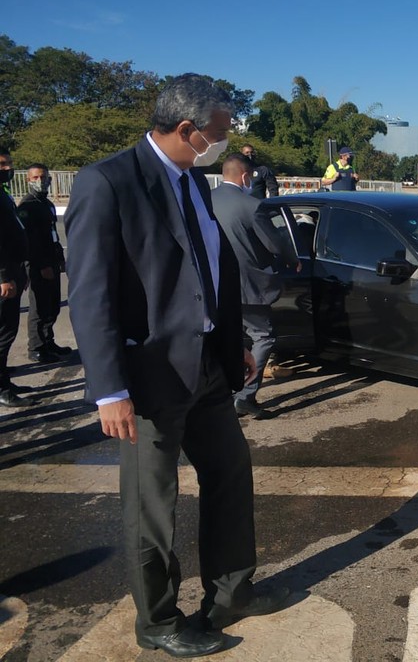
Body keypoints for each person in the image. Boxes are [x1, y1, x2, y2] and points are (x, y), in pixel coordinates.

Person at [64, 74, 288, 658]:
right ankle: (158, 621)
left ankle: (232, 591)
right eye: (217, 132)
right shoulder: (108, 181)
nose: (224, 140)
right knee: (152, 506)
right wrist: (108, 388)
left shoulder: (194, 181)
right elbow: (90, 294)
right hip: (150, 375)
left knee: (231, 475)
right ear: (186, 129)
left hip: (209, 365)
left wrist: (231, 339)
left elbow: (212, 269)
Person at [211, 153, 300, 420]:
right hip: (247, 284)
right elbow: (274, 243)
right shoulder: (252, 206)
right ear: (246, 176)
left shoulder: (204, 201)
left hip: (213, 284)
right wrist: (292, 259)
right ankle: (245, 396)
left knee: (225, 336)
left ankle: (220, 393)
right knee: (263, 336)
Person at [17, 163, 70, 363]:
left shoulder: (45, 204)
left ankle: (48, 341)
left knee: (53, 305)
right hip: (39, 264)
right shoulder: (27, 206)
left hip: (52, 261)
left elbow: (53, 236)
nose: (40, 181)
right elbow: (30, 242)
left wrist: (59, 260)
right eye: (35, 178)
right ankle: (36, 347)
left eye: (43, 177)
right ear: (28, 180)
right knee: (39, 307)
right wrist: (42, 266)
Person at [0, 151, 36, 409]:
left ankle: (4, 380)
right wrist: (3, 277)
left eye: (9, 163)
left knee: (8, 331)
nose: (8, 168)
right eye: (2, 164)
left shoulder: (3, 194)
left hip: (14, 270)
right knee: (2, 334)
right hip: (3, 276)